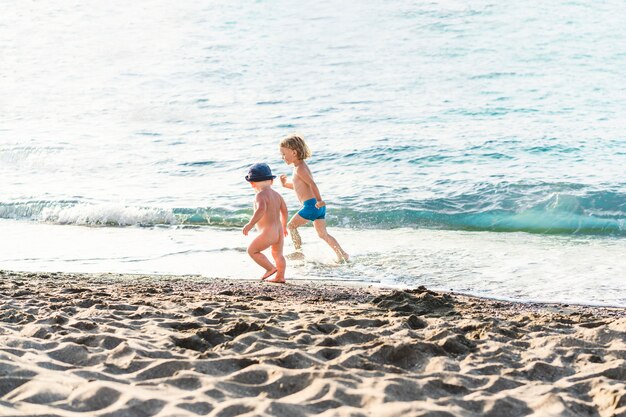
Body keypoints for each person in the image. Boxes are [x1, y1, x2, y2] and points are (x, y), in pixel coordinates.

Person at [279, 134, 349, 262]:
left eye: (283, 154)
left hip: (312, 205)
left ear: (294, 152)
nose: (282, 157)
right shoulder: (299, 167)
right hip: (317, 206)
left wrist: (320, 200)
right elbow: (299, 187)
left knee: (291, 226)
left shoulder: (300, 169)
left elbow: (312, 184)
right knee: (323, 234)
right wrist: (285, 185)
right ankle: (342, 254)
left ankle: (298, 251)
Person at [243, 163, 288, 283]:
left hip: (268, 232)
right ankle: (280, 277)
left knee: (252, 251)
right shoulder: (277, 195)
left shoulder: (260, 195)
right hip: (278, 231)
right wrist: (284, 226)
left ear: (252, 184)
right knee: (278, 254)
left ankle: (270, 268)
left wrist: (250, 224)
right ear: (271, 181)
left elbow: (261, 210)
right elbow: (284, 211)